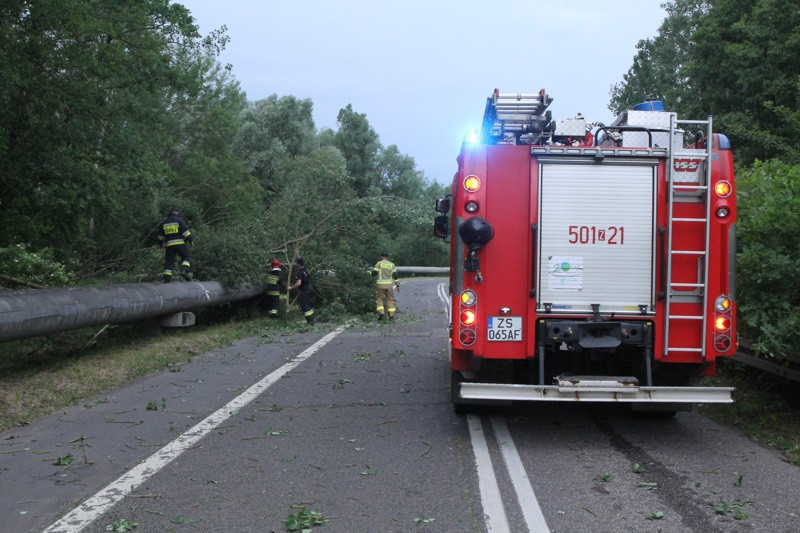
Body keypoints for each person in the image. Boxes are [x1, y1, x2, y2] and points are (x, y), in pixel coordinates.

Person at [158, 207, 193, 283]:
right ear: (177, 212)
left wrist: (161, 245)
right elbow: (186, 232)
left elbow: (160, 237)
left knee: (169, 261)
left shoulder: (164, 222)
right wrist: (191, 240)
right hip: (179, 243)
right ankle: (184, 270)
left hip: (169, 245)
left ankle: (167, 279)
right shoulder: (179, 220)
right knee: (185, 256)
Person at [372, 250, 400, 320]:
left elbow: (374, 273)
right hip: (389, 286)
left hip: (380, 286)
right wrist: (397, 285)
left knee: (379, 299)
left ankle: (381, 313)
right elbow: (395, 276)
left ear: (381, 256)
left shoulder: (379, 264)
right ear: (387, 256)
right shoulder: (392, 264)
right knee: (390, 299)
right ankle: (391, 316)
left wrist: (369, 273)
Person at [287, 257, 314, 325]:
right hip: (309, 287)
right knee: (307, 304)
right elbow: (301, 260)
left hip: (306, 289)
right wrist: (297, 253)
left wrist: (290, 288)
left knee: (304, 304)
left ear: (298, 264)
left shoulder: (300, 272)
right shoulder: (305, 269)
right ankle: (311, 319)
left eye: (297, 263)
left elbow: (298, 283)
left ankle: (310, 321)